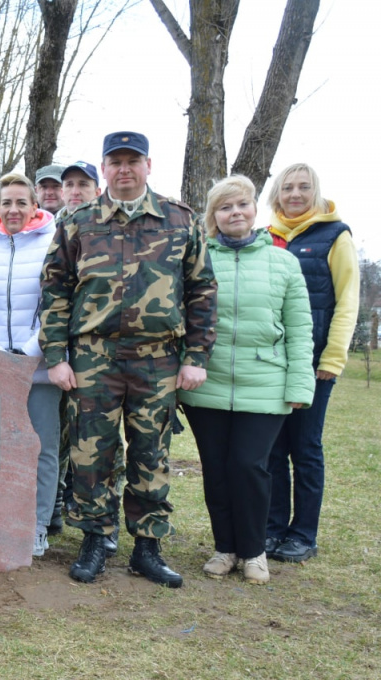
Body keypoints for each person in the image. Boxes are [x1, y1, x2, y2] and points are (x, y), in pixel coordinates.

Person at [40, 131, 217, 588]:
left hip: (157, 358)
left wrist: (196, 356)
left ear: (148, 165)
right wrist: (56, 355)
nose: (124, 169)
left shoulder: (180, 220)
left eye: (132, 161)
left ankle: (147, 547)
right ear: (105, 168)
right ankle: (95, 539)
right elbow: (55, 289)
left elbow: (202, 292)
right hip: (93, 355)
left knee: (150, 452)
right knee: (91, 451)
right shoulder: (79, 221)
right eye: (115, 161)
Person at [179, 175, 315, 585]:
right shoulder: (199, 259)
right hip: (210, 382)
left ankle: (255, 551)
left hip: (265, 383)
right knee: (217, 469)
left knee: (249, 465)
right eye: (225, 207)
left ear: (255, 209)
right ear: (213, 215)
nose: (234, 213)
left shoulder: (283, 261)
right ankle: (226, 548)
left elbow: (300, 329)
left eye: (242, 205)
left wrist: (299, 386)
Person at [264, 163, 359, 563]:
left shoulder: (335, 235)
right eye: (288, 188)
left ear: (315, 191)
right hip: (272, 363)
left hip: (315, 362)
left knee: (305, 447)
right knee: (272, 450)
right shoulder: (267, 237)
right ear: (277, 194)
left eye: (304, 187)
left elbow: (348, 299)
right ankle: (272, 529)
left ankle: (303, 533)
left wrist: (333, 357)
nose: (295, 194)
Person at [0, 173, 59, 558]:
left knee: (40, 449)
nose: (13, 209)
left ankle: (36, 525)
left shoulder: (53, 245)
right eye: (6, 203)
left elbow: (57, 305)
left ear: (35, 206)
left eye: (22, 202)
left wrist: (25, 352)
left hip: (38, 370)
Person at [50, 160, 106, 539]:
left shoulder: (104, 229)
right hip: (52, 354)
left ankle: (100, 522)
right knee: (54, 436)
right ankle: (53, 506)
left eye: (83, 184)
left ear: (97, 190)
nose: (74, 191)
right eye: (68, 184)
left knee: (92, 442)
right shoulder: (48, 230)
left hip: (96, 357)